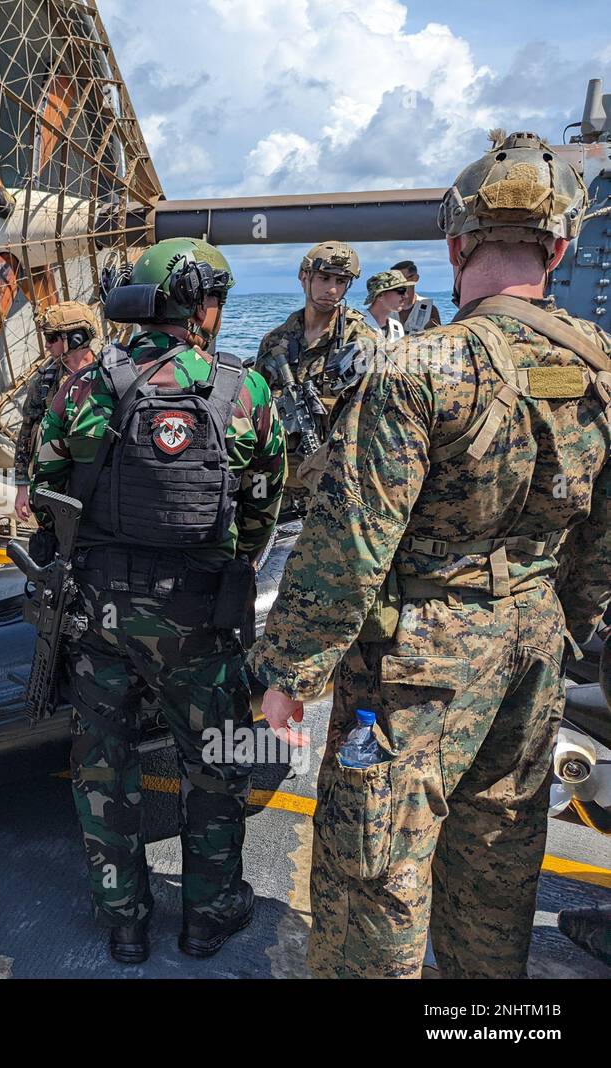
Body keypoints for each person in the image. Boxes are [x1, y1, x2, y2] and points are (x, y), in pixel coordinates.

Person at [251, 131, 611, 978]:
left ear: (455, 245)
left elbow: (351, 544)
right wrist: (562, 628)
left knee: (372, 874)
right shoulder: (598, 369)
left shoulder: (420, 366)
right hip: (531, 648)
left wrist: (290, 672)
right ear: (559, 246)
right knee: (498, 858)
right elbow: (600, 541)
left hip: (416, 664)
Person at [30, 237, 285, 964]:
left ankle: (125, 920)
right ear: (203, 303)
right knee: (216, 763)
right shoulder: (245, 389)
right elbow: (265, 506)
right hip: (202, 620)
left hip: (101, 618)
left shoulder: (83, 387)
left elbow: (44, 497)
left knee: (104, 765)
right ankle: (209, 915)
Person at [255, 241, 378, 513]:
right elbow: (257, 412)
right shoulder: (275, 341)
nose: (332, 289)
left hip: (336, 481)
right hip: (282, 479)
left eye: (341, 280)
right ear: (304, 276)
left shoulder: (361, 341)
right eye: (324, 278)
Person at [13, 300, 100, 523]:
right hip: (54, 487)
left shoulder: (108, 378)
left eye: (52, 338)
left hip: (96, 483)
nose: (47, 346)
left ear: (76, 338)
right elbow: (26, 432)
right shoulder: (44, 382)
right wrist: (22, 485)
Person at [391, 259, 443, 332]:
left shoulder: (430, 310)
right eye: (393, 282)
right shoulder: (385, 309)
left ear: (415, 278)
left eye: (401, 280)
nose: (397, 285)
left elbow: (441, 339)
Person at [361, 270, 408, 341]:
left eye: (405, 291)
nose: (406, 296)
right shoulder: (358, 324)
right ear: (380, 295)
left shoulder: (397, 327)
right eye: (401, 291)